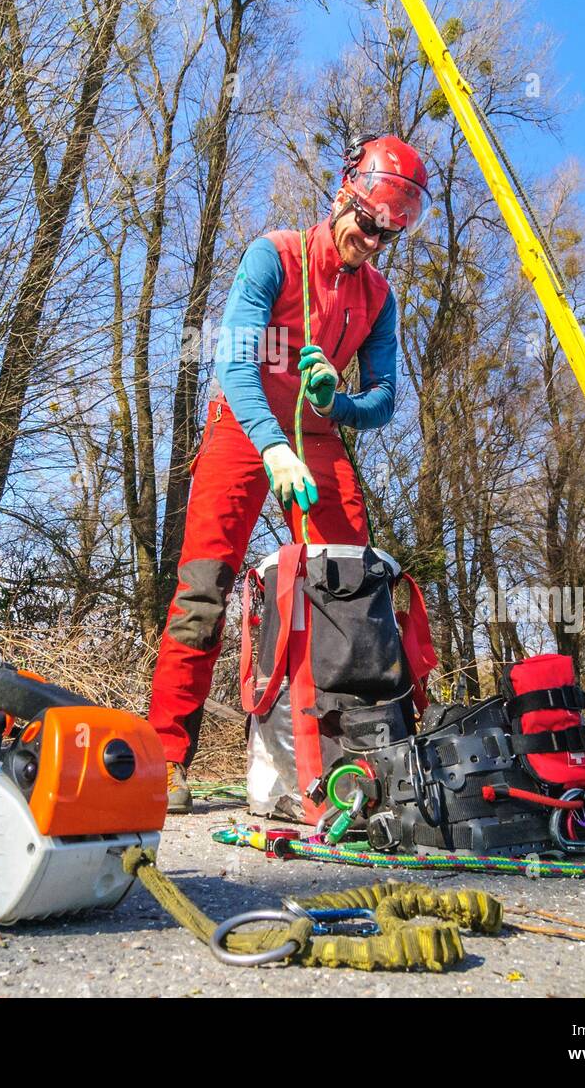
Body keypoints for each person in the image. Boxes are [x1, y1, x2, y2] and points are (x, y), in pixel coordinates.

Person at [149, 134, 432, 812]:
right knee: (203, 586)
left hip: (320, 437)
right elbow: (233, 365)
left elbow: (384, 402)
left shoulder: (378, 300)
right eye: (366, 223)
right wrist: (273, 446)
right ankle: (164, 756)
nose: (371, 241)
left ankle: (365, 754)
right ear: (343, 195)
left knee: (353, 587)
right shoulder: (271, 257)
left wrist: (338, 402)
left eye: (387, 235)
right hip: (242, 427)